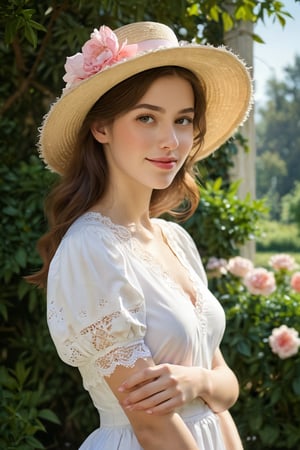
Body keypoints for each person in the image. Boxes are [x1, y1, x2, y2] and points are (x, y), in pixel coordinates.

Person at [29, 21, 252, 450]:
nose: (171, 141)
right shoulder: (91, 248)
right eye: (147, 117)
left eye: (183, 120)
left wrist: (196, 381)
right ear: (101, 128)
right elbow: (152, 425)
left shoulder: (175, 240)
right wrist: (204, 386)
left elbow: (225, 390)